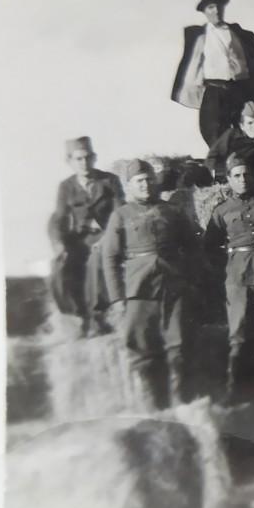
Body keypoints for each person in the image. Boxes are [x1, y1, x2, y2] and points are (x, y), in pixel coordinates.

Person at [101, 159, 199, 409]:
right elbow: (110, 258)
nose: (145, 185)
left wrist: (188, 280)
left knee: (179, 349)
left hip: (173, 287)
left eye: (148, 180)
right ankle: (155, 409)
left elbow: (192, 248)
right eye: (139, 181)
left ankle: (182, 408)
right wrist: (117, 299)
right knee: (143, 353)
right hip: (139, 290)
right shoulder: (120, 215)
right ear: (129, 186)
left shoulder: (172, 210)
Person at [203, 153, 254, 400]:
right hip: (238, 276)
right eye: (236, 175)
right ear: (228, 179)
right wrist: (227, 268)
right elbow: (209, 246)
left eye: (246, 174)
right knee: (239, 334)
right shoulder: (222, 211)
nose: (242, 179)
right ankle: (236, 392)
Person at [171, 0, 254, 147]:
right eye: (211, 7)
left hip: (239, 89)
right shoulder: (199, 35)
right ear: (204, 11)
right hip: (214, 91)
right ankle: (221, 169)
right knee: (214, 134)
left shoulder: (238, 33)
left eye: (219, 6)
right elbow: (191, 67)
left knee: (246, 131)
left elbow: (252, 61)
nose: (216, 11)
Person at [47, 136, 124, 336]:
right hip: (79, 239)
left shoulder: (109, 181)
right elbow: (59, 218)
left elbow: (119, 213)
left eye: (88, 158)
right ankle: (78, 315)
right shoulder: (66, 187)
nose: (84, 163)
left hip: (105, 236)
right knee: (59, 268)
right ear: (69, 161)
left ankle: (97, 316)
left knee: (95, 263)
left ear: (94, 158)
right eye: (78, 159)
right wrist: (58, 244)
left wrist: (108, 239)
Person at [205, 100, 254, 189]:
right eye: (250, 123)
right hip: (226, 181)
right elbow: (212, 157)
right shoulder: (231, 136)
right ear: (242, 125)